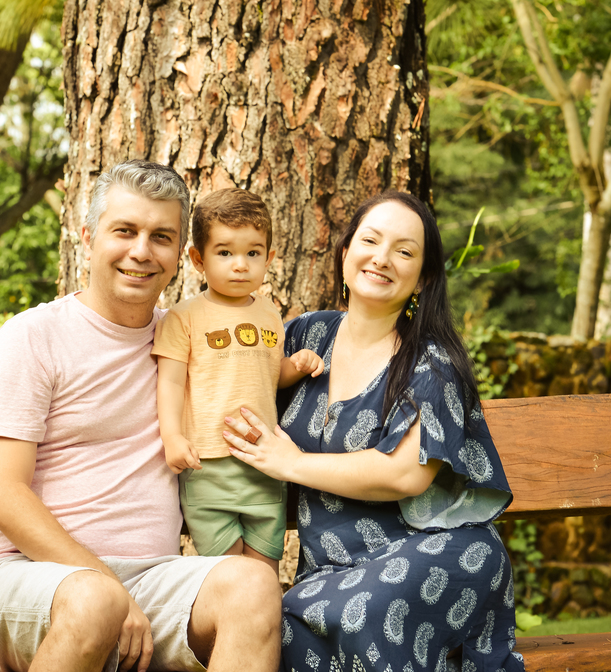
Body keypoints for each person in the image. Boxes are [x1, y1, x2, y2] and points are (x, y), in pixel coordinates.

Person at [0, 160, 282, 672]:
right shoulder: (32, 338)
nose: (141, 251)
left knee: (253, 585)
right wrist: (104, 583)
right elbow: (1, 496)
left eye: (161, 237)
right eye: (125, 230)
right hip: (24, 574)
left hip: (151, 579)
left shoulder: (187, 340)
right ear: (87, 236)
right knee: (95, 603)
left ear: (182, 255)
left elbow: (258, 379)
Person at [224, 191, 526, 672]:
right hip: (331, 571)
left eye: (404, 251)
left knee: (366, 612)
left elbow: (405, 475)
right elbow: (230, 382)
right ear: (346, 254)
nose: (382, 258)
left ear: (423, 278)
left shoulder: (431, 360)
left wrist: (291, 463)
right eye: (370, 240)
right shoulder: (305, 335)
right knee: (281, 629)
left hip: (435, 551)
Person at [153, 188, 323, 572]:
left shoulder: (268, 312)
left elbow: (270, 373)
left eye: (253, 253)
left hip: (263, 463)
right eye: (225, 252)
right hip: (208, 466)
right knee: (229, 577)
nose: (240, 265)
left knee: (263, 572)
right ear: (198, 258)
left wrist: (296, 365)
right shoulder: (184, 317)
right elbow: (170, 384)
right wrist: (173, 438)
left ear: (269, 258)